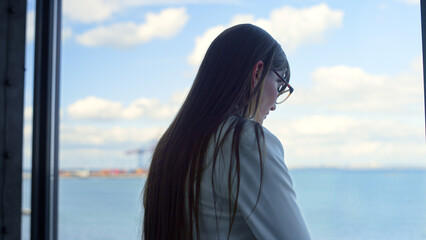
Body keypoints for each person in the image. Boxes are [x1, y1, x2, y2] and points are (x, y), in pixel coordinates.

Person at [143, 24, 311, 240]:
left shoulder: (170, 147)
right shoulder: (246, 141)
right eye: (279, 84)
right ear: (258, 72)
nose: (274, 105)